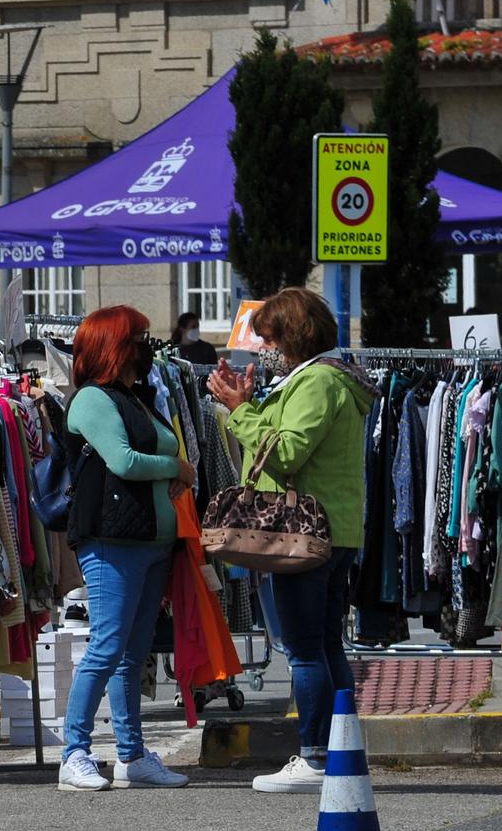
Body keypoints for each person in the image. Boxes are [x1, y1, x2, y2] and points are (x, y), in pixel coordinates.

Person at [208, 287, 374, 795]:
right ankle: (340, 750)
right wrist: (256, 402)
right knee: (324, 644)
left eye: (271, 338)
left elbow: (287, 454)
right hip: (332, 528)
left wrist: (239, 410)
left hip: (305, 534)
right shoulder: (328, 378)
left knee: (303, 649)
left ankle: (314, 755)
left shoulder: (317, 382)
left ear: (292, 336)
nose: (265, 348)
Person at [55, 306, 191, 793]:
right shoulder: (92, 399)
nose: (147, 346)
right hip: (114, 541)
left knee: (132, 654)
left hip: (150, 542)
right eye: (139, 337)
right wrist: (176, 468)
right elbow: (123, 461)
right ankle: (74, 752)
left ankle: (131, 755)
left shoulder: (136, 396)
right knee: (107, 648)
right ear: (116, 345)